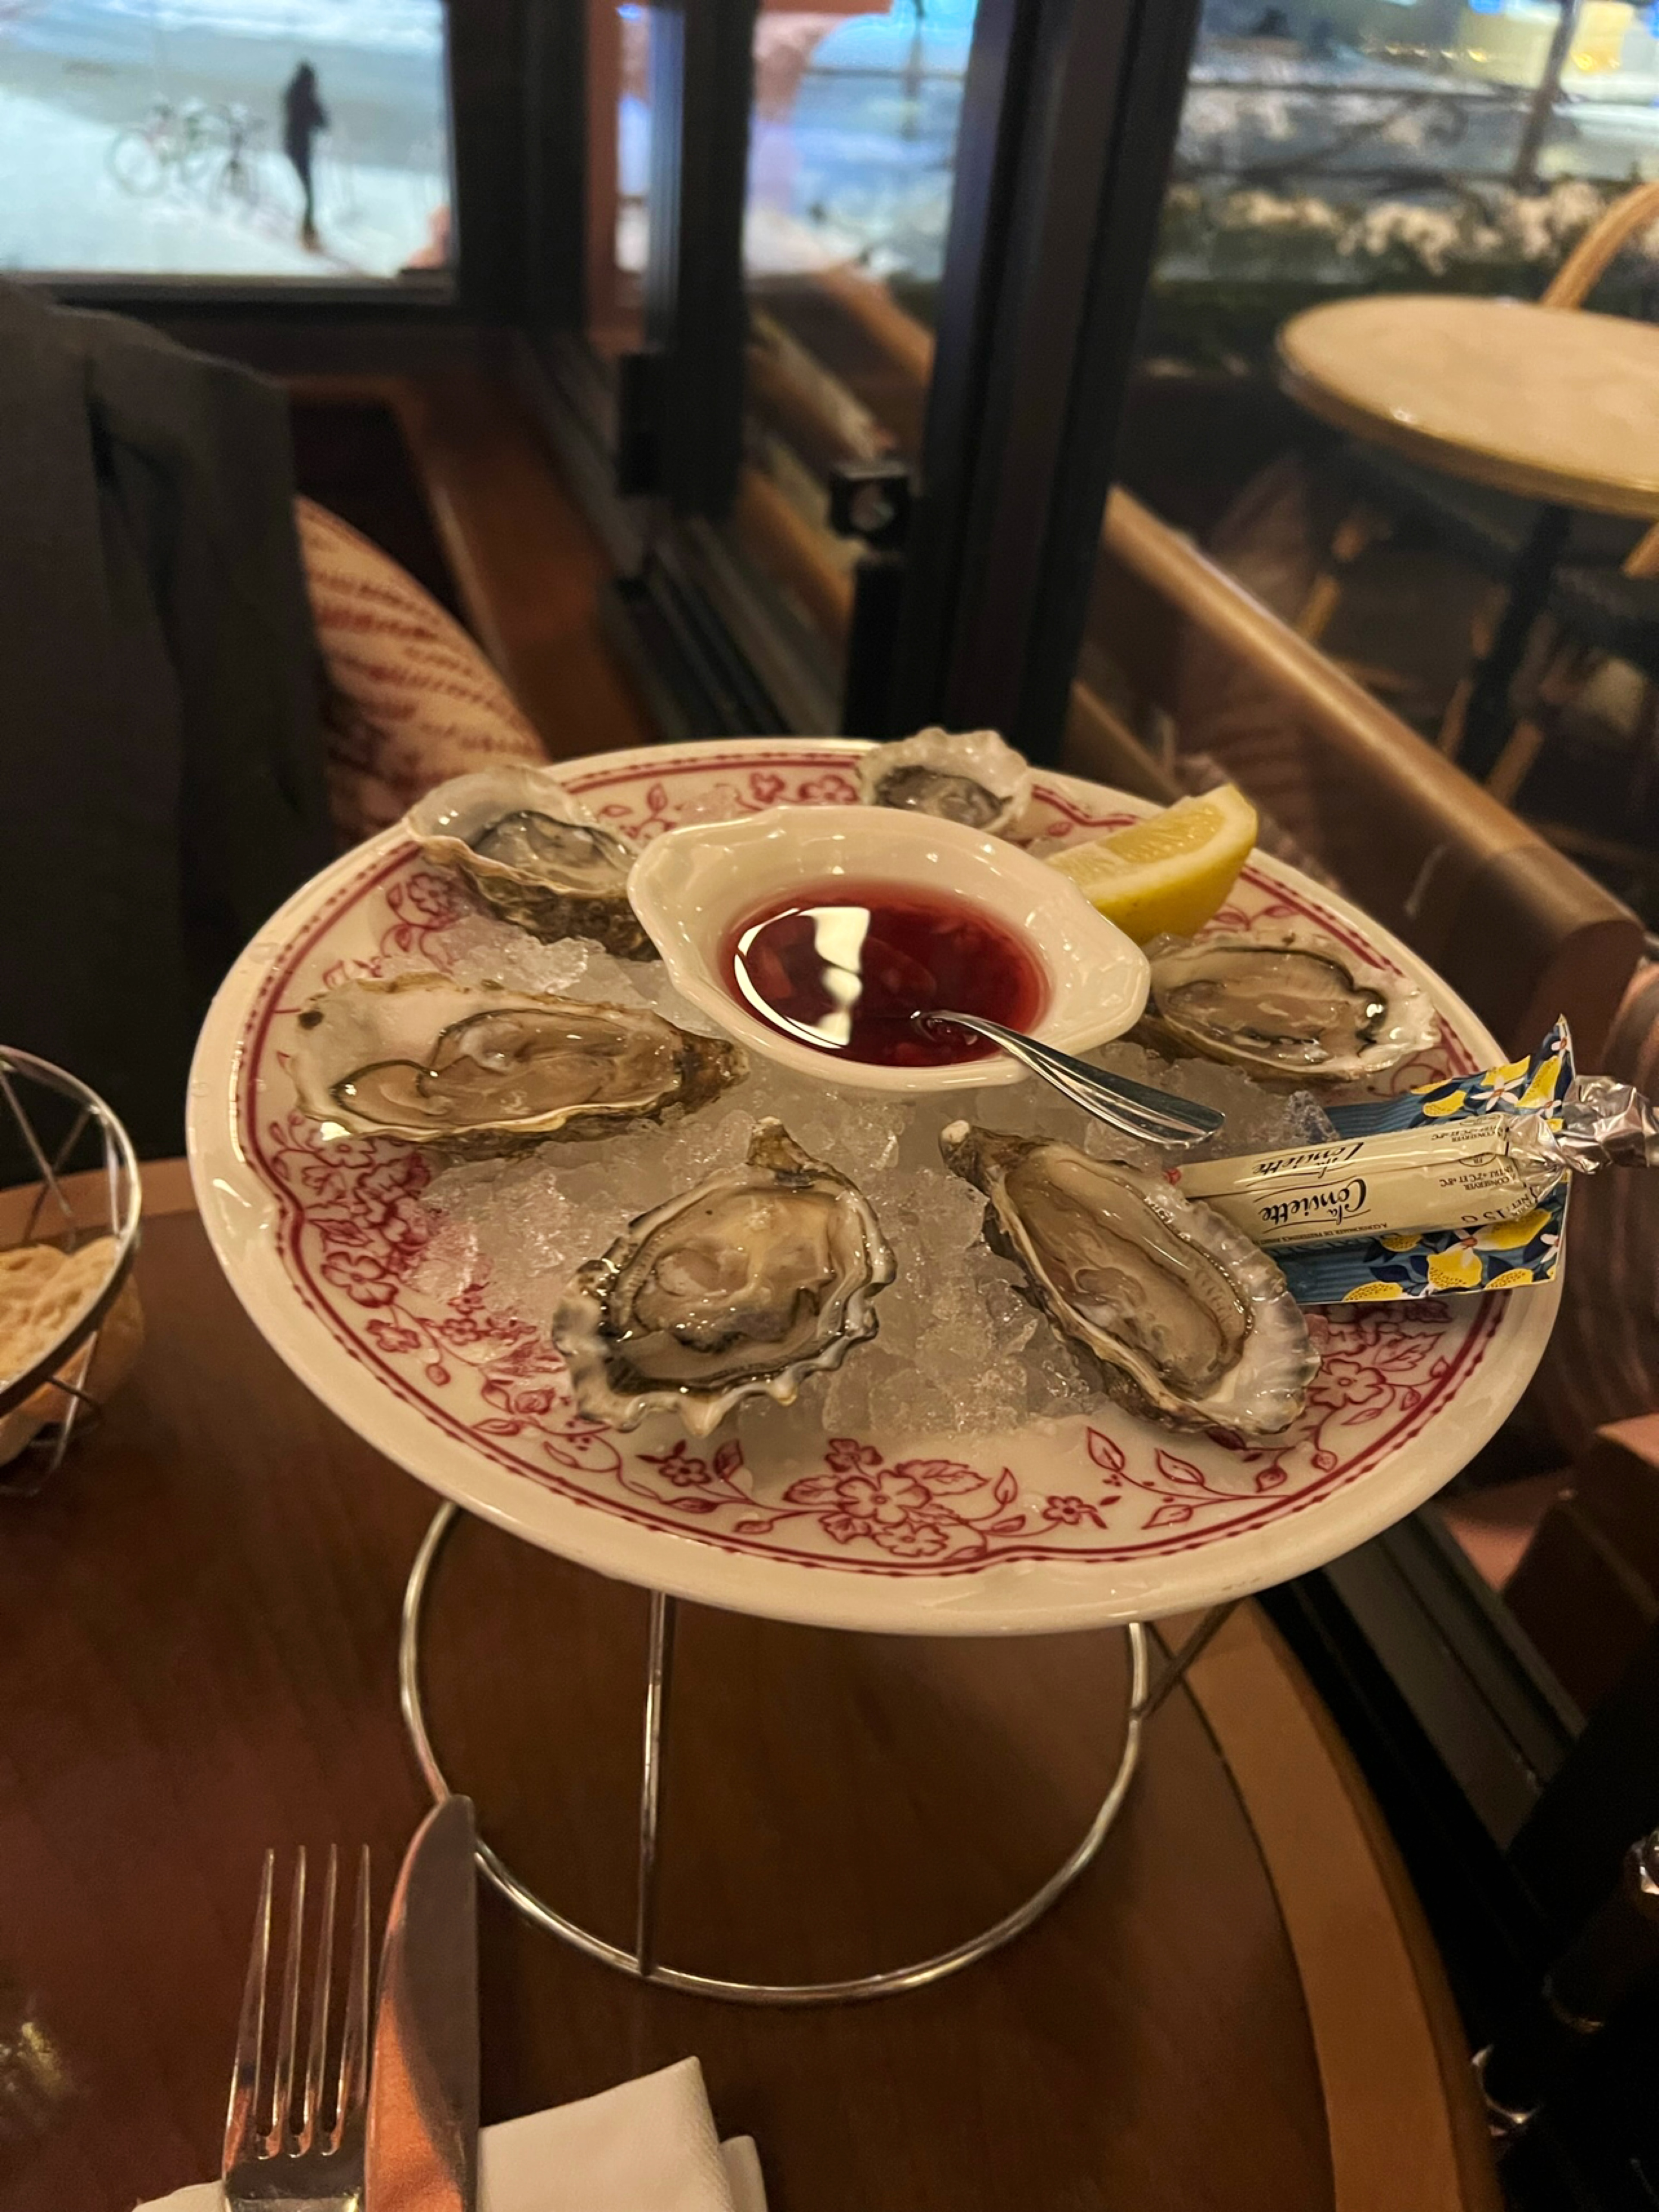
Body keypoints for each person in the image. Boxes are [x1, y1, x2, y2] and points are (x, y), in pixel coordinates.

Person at [282, 61, 328, 251]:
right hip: (302, 148)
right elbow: (322, 122)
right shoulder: (309, 99)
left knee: (307, 192)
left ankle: (308, 231)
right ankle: (307, 233)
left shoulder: (290, 94)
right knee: (309, 194)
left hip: (290, 146)